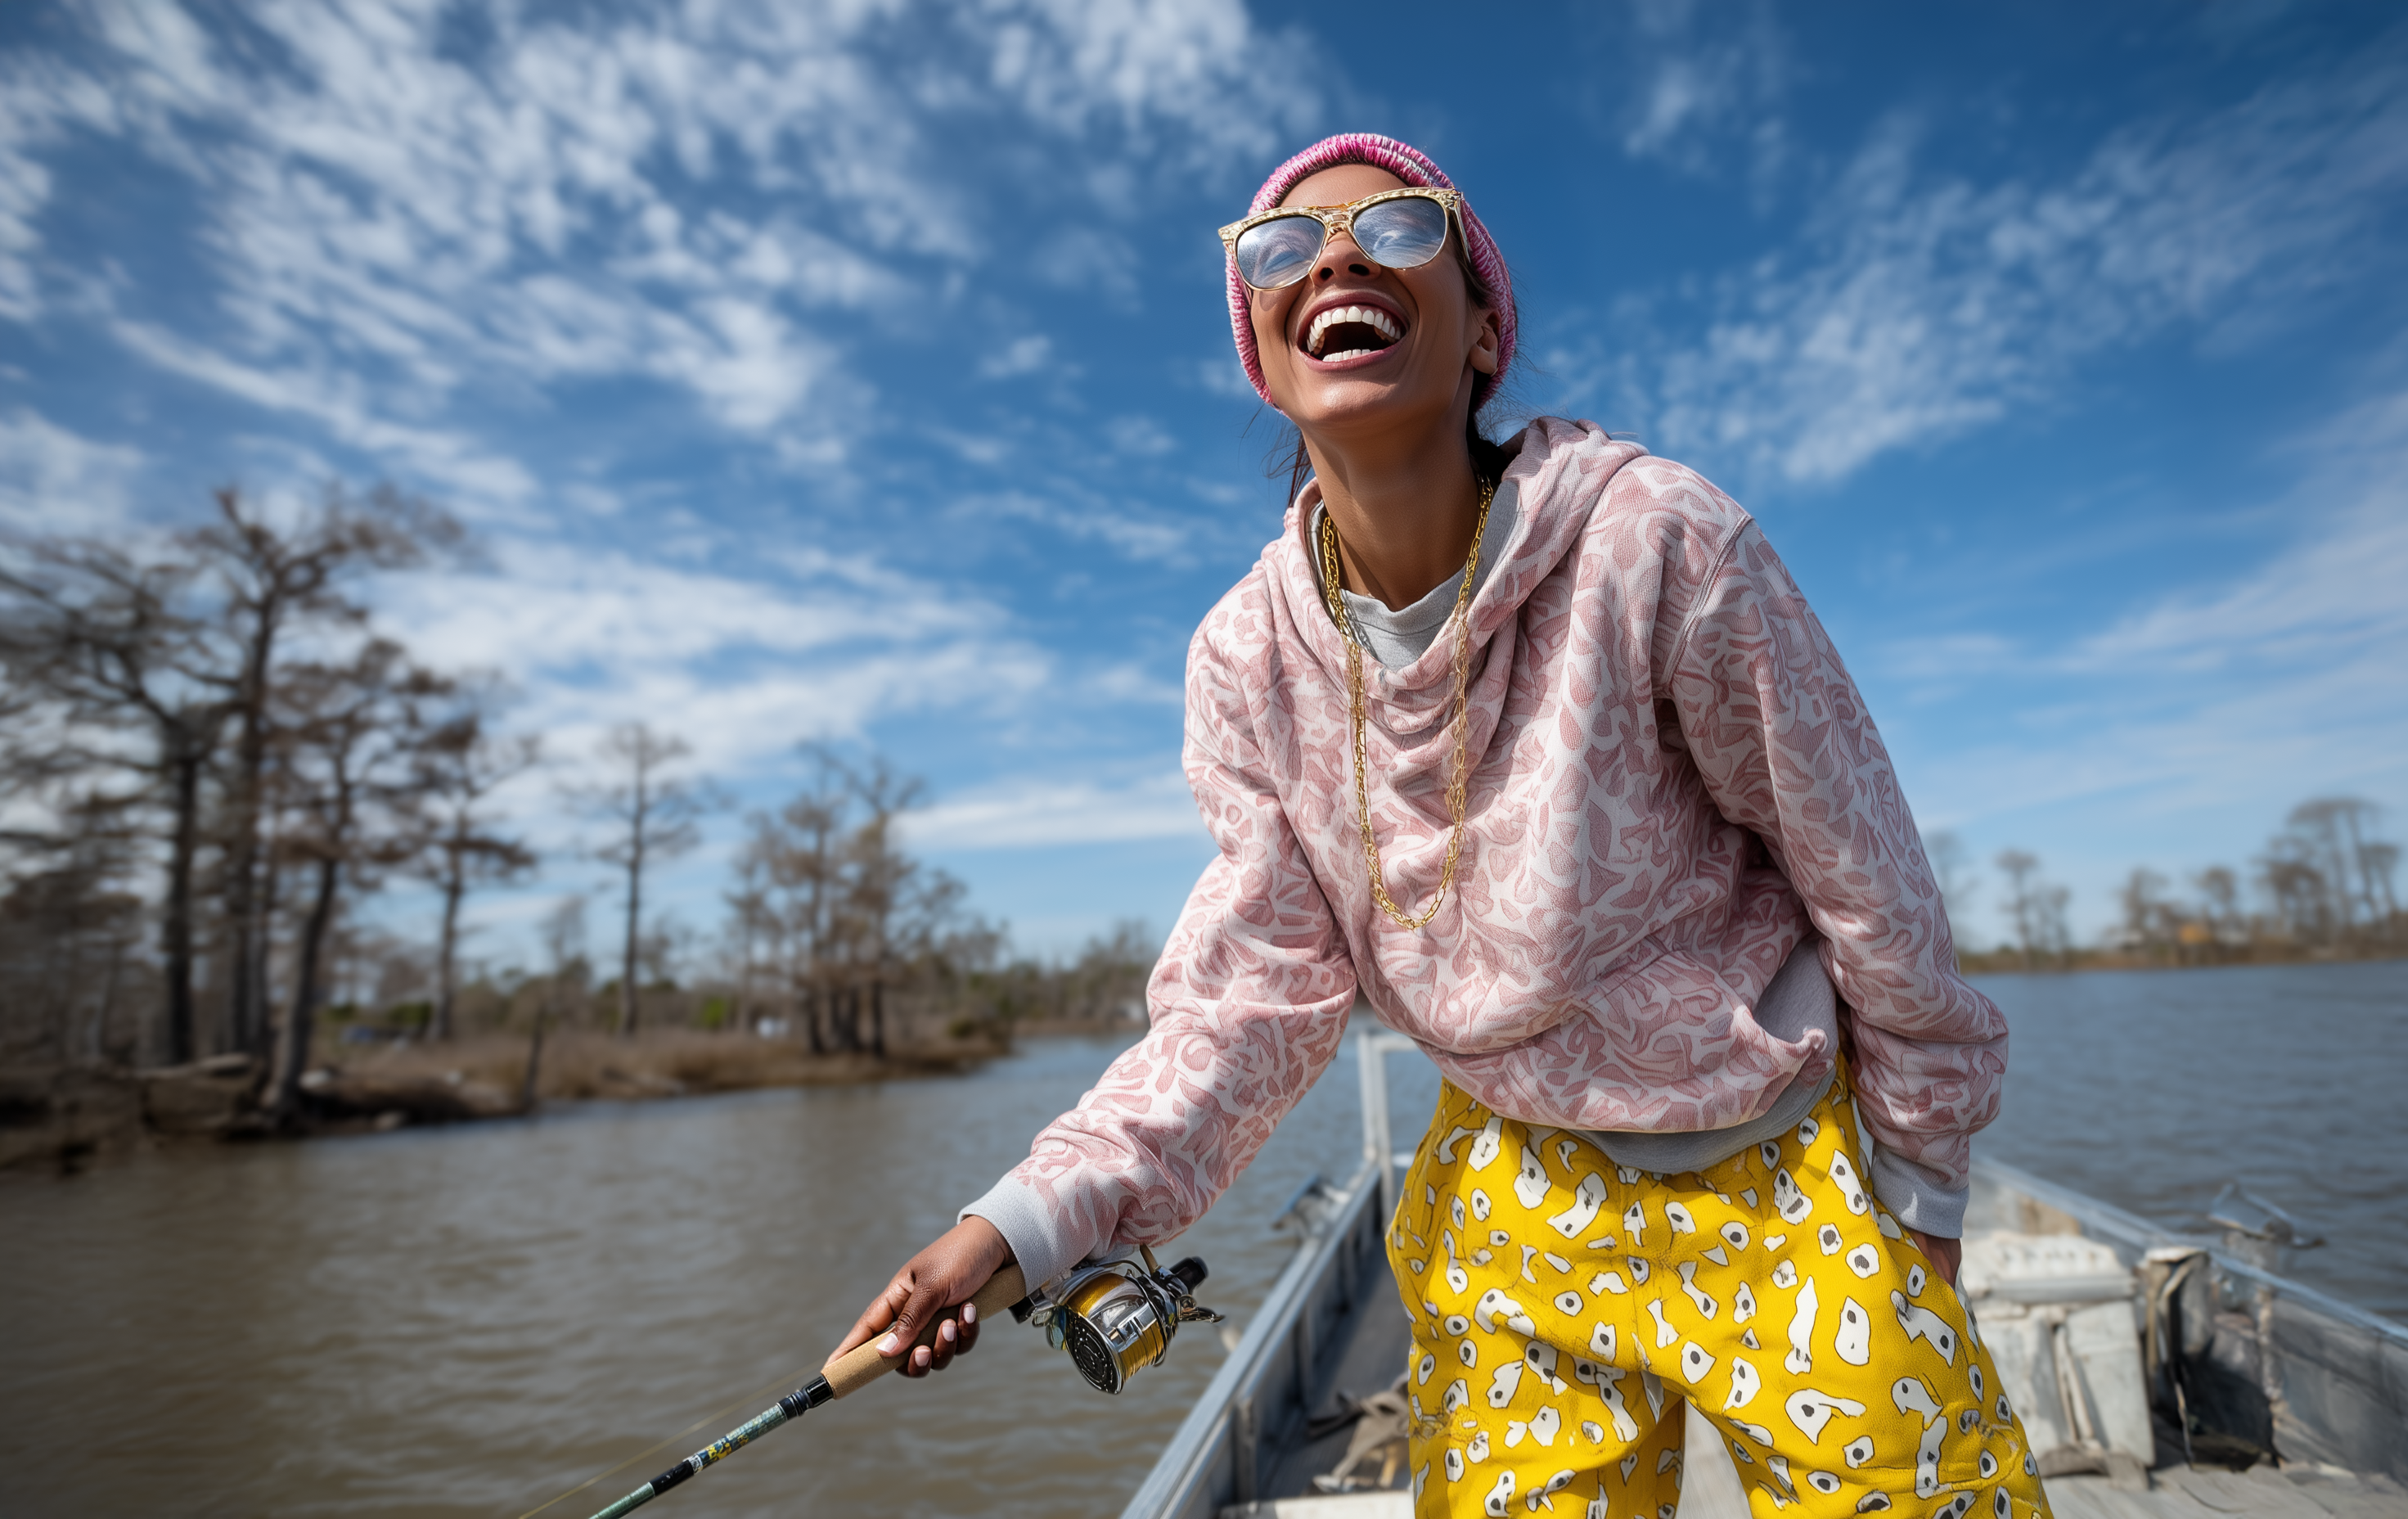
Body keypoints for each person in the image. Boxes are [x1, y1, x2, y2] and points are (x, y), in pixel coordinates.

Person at [835, 133, 2049, 1519]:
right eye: (1284, 249)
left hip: (1783, 1166)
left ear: (1484, 331)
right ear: (1260, 349)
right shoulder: (1244, 661)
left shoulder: (1654, 539)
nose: (1338, 256)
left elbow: (1868, 876)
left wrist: (1928, 1176)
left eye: (1399, 229)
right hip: (1512, 1192)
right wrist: (1024, 1223)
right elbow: (1250, 1008)